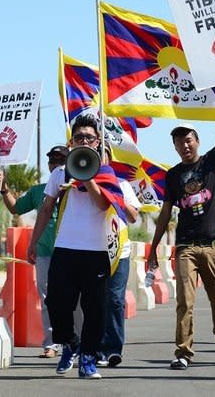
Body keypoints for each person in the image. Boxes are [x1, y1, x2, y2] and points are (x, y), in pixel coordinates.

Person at [27, 115, 125, 379]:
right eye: (79, 137)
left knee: (95, 309)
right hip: (65, 249)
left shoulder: (106, 173)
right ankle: (71, 343)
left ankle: (88, 359)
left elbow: (104, 205)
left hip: (95, 252)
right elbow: (46, 209)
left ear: (97, 142)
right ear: (71, 143)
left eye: (89, 138)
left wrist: (87, 176)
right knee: (57, 303)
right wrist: (33, 242)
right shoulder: (60, 173)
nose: (84, 141)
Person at [148, 84, 215, 370]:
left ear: (197, 142)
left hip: (213, 245)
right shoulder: (173, 175)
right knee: (185, 301)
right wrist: (153, 248)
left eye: (188, 140)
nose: (185, 146)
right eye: (179, 143)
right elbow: (164, 214)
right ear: (174, 147)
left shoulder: (212, 162)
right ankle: (183, 352)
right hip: (186, 246)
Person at [0, 144, 68, 358]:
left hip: (71, 252)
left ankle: (75, 343)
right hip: (45, 252)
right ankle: (52, 343)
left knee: (74, 300)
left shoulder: (78, 189)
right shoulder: (39, 191)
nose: (56, 165)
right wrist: (3, 188)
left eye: (61, 161)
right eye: (53, 161)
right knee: (48, 299)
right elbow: (16, 208)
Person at [98, 146, 141, 368]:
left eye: (103, 152)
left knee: (114, 300)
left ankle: (113, 349)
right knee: (94, 300)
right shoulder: (83, 183)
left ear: (110, 158)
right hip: (93, 250)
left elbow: (133, 216)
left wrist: (116, 195)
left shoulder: (123, 184)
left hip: (119, 251)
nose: (99, 156)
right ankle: (94, 348)